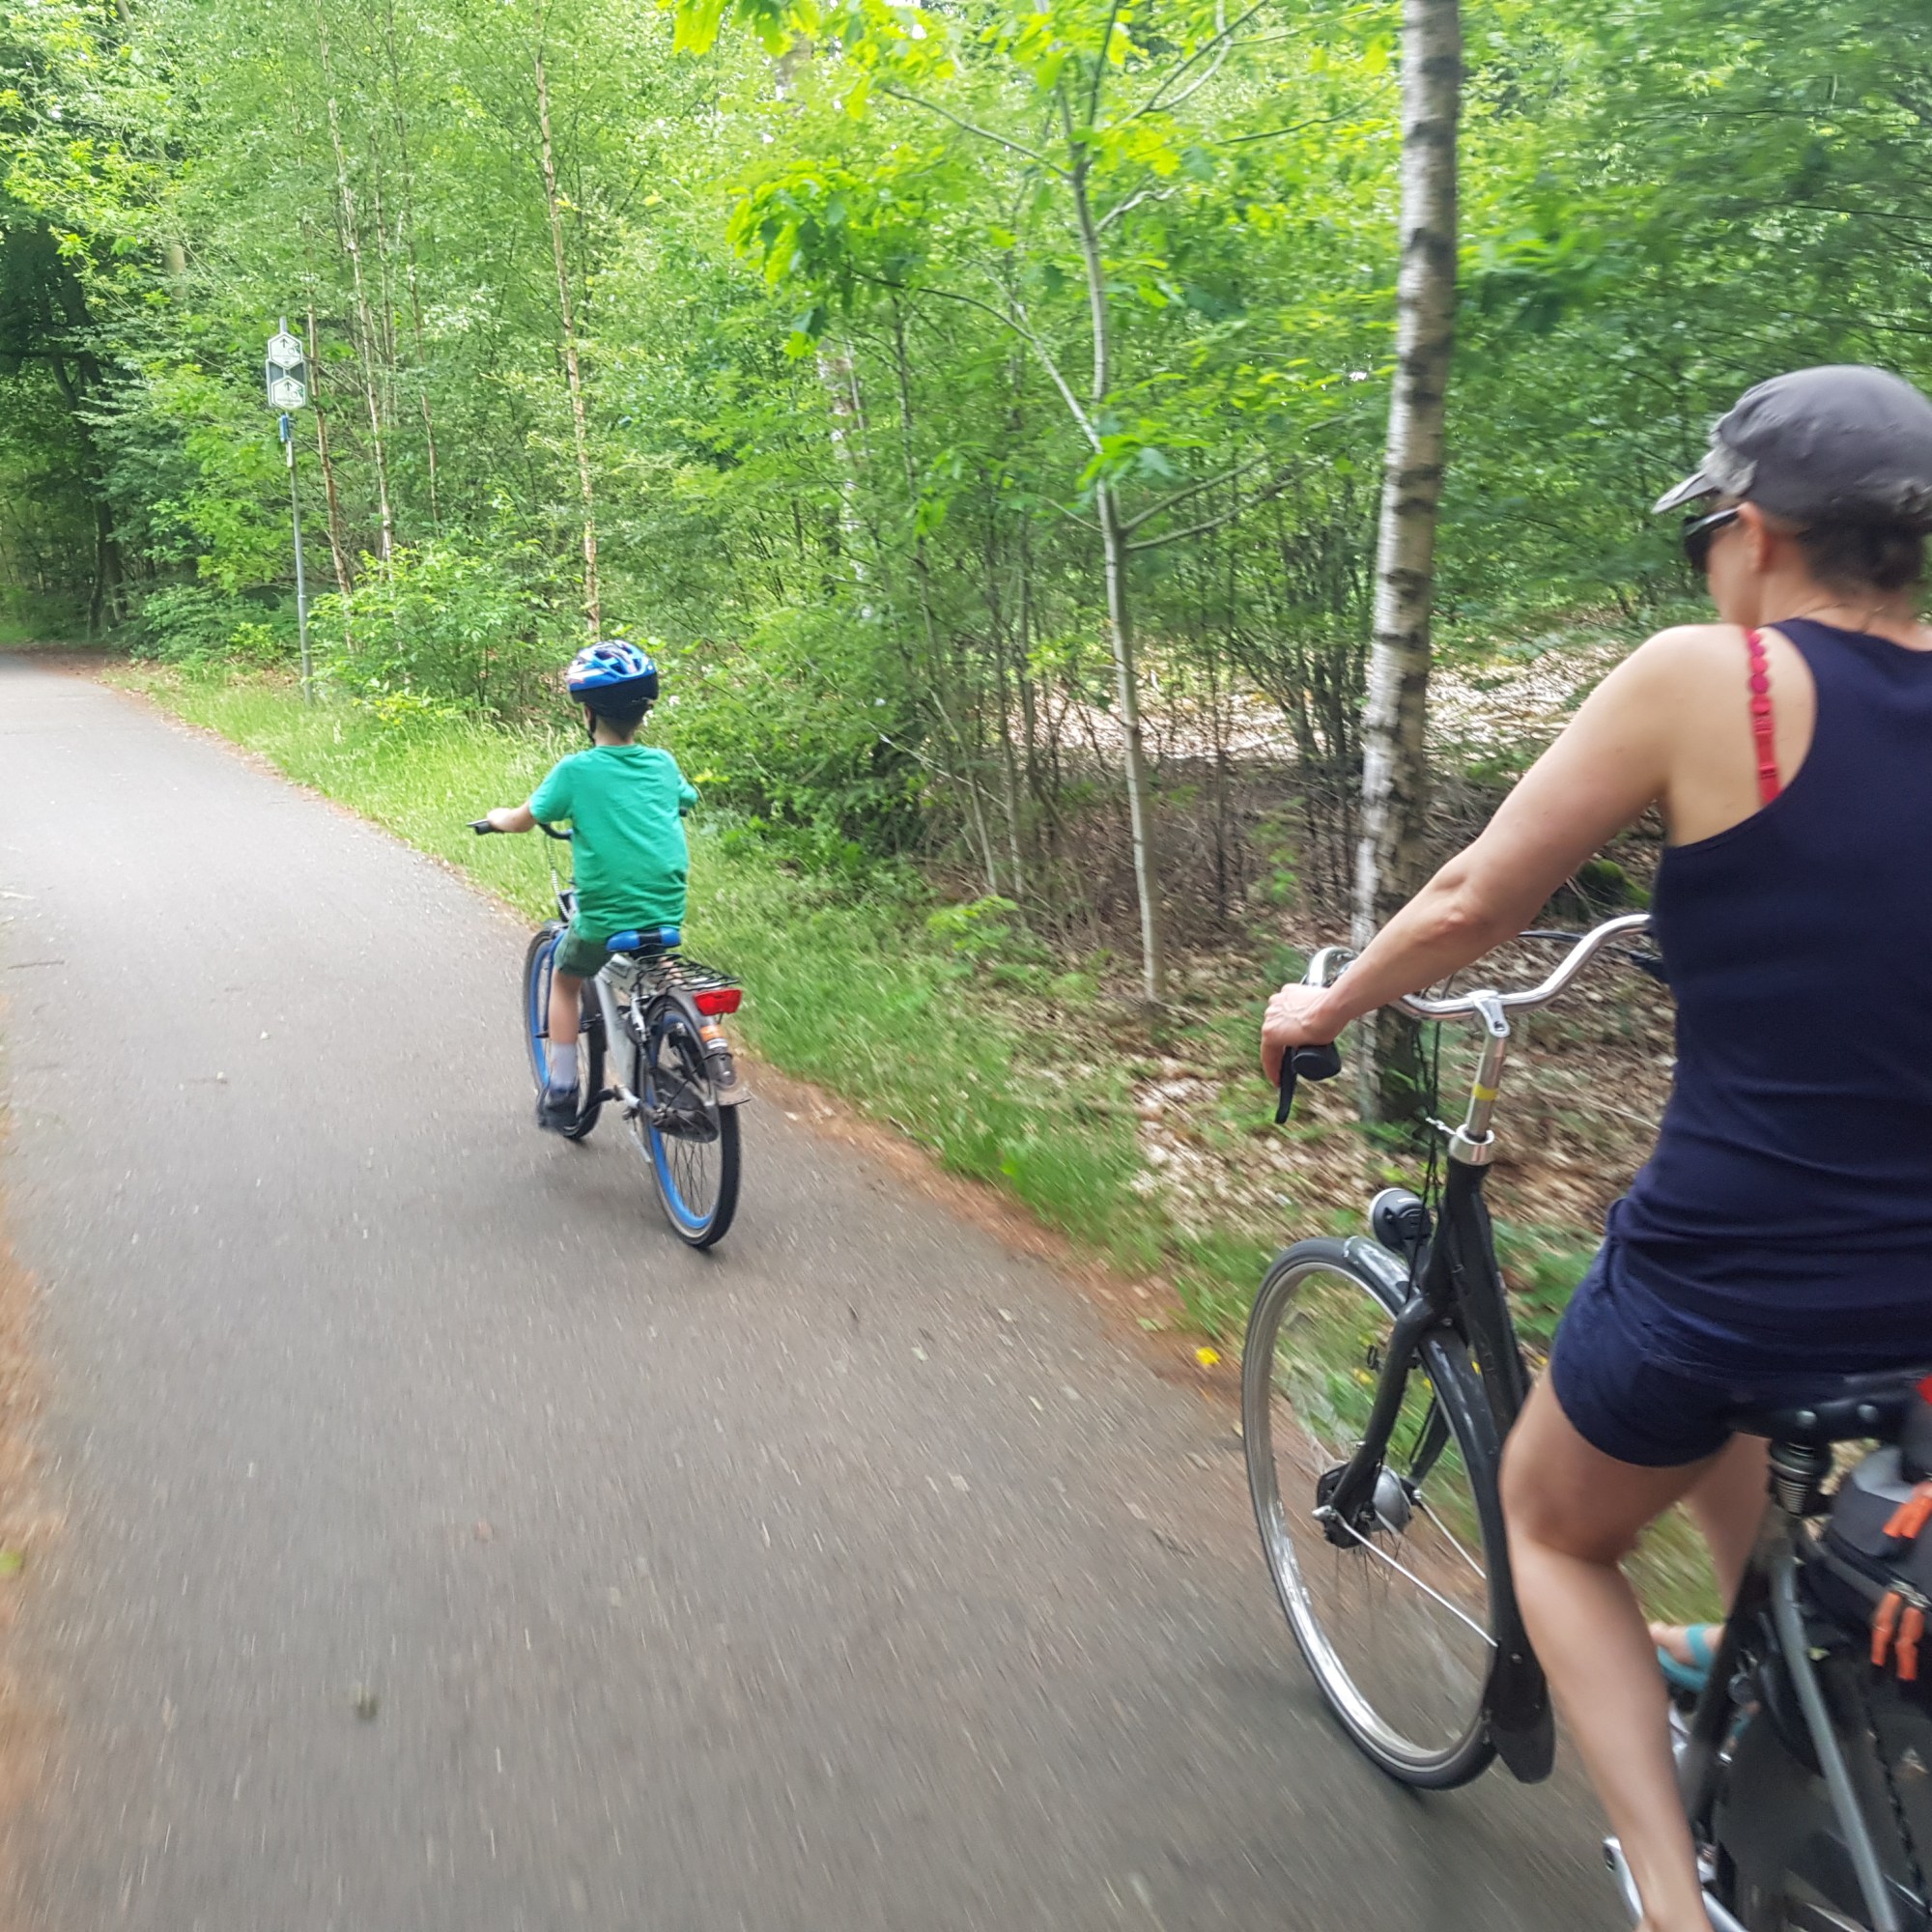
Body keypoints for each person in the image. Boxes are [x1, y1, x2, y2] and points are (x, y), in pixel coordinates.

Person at [1260, 364, 1932, 1932]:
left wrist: (1323, 1002)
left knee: (1555, 1522)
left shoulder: (1715, 683)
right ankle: (1771, 1646)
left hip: (1736, 1270)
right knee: (1732, 1432)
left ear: (1755, 534)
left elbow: (1473, 905)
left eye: (1710, 533)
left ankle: (1664, 1890)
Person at [485, 639, 698, 1131]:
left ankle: (562, 1089)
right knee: (658, 965)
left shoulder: (576, 772)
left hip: (604, 917)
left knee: (564, 977)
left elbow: (522, 820)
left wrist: (497, 820)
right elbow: (688, 799)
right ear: (644, 711)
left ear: (587, 712)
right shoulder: (662, 764)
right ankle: (692, 1042)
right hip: (667, 910)